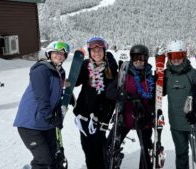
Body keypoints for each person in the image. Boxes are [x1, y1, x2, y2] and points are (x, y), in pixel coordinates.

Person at [13, 41, 70, 169]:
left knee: (55, 156)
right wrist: (50, 116)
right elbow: (42, 96)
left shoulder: (59, 72)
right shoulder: (41, 70)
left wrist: (59, 114)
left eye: (62, 54)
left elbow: (55, 97)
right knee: (43, 160)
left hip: (45, 123)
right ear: (49, 54)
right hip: (30, 124)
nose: (59, 55)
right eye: (56, 53)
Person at [162, 40, 196, 169]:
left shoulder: (194, 73)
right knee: (181, 155)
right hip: (176, 124)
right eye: (173, 56)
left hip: (194, 123)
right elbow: (158, 94)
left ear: (184, 55)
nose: (176, 60)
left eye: (179, 56)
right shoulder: (166, 74)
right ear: (169, 57)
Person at [107, 44, 156, 169]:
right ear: (131, 58)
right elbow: (109, 92)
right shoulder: (123, 74)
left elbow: (157, 97)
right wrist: (122, 95)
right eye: (135, 57)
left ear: (146, 59)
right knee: (108, 147)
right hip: (124, 118)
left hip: (144, 120)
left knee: (146, 153)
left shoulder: (150, 77)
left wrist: (150, 113)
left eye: (142, 57)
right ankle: (112, 164)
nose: (138, 61)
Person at [73, 37, 118, 169]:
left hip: (99, 117)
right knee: (87, 149)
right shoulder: (86, 65)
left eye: (99, 50)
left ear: (104, 51)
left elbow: (112, 98)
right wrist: (71, 76)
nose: (96, 53)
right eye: (93, 50)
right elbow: (76, 82)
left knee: (99, 150)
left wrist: (106, 117)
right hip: (83, 115)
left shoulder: (110, 68)